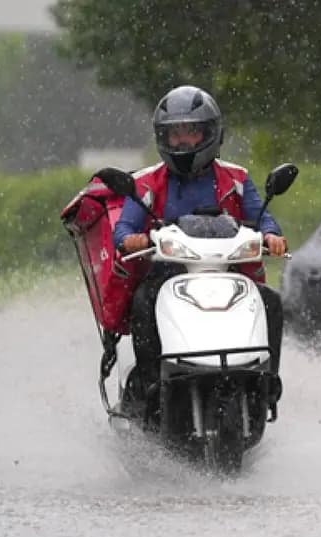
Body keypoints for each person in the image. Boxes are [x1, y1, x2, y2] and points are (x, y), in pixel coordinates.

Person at [113, 85, 287, 404]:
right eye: (174, 133)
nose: (182, 141)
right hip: (168, 273)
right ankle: (152, 385)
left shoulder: (237, 177)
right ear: (163, 138)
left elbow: (262, 217)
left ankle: (265, 384)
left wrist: (272, 236)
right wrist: (129, 239)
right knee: (143, 300)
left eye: (191, 132)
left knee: (270, 301)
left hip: (228, 271)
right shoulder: (146, 182)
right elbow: (124, 227)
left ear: (210, 133)